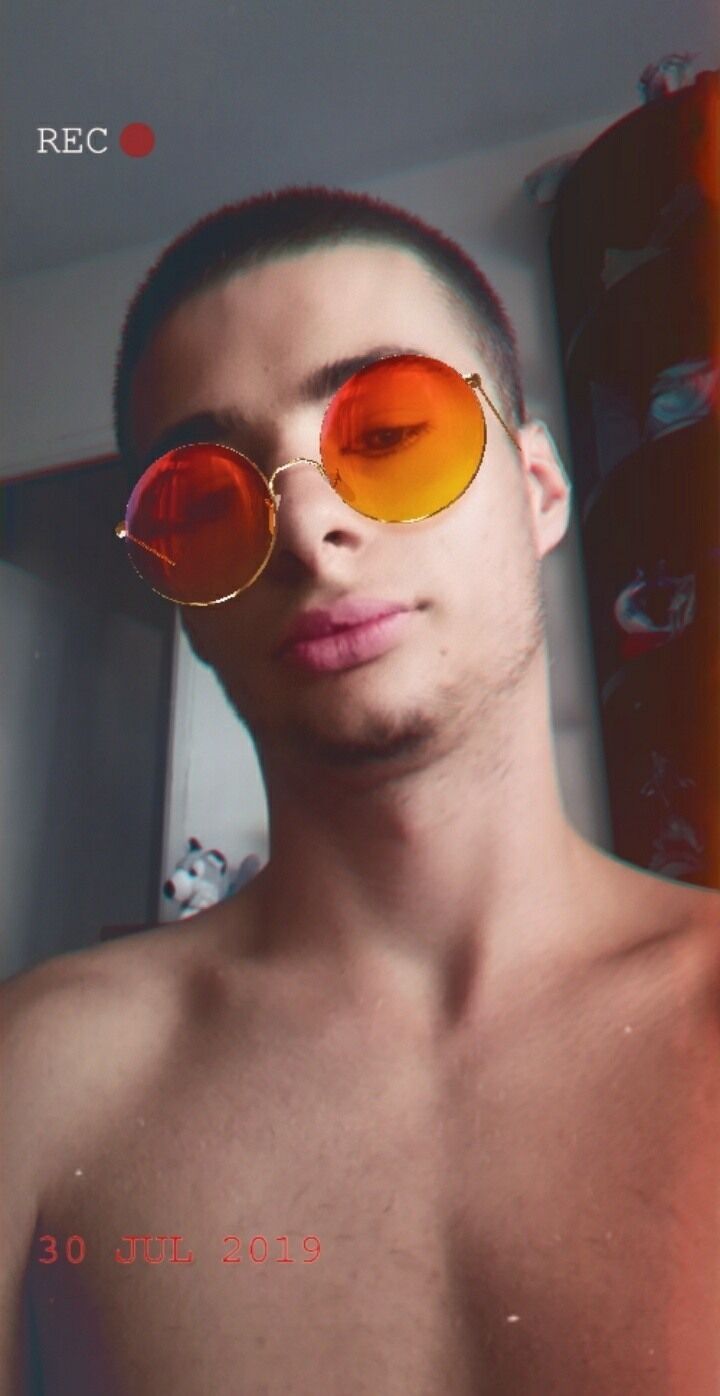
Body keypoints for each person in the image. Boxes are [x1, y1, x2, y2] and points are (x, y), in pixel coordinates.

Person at [2, 187, 718, 1396]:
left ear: (539, 489)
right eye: (206, 498)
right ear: (180, 593)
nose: (307, 528)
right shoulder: (39, 1082)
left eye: (387, 434)